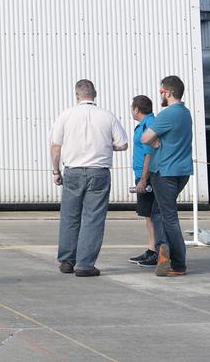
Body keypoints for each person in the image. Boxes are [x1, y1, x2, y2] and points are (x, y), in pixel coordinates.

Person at [49, 79, 127, 277]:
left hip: (73, 170)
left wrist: (56, 171)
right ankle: (84, 265)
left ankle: (67, 260)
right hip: (98, 171)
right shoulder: (107, 116)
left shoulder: (66, 115)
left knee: (69, 216)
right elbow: (123, 144)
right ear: (96, 94)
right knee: (93, 218)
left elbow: (55, 146)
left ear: (77, 95)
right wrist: (107, 145)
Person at [142, 75, 194, 278]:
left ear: (169, 92)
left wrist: (154, 140)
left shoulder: (167, 114)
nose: (160, 95)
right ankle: (163, 247)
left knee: (168, 217)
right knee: (158, 211)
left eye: (161, 92)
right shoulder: (186, 113)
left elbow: (145, 138)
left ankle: (177, 262)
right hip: (181, 171)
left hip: (165, 172)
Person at [127, 95, 158, 267]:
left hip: (148, 175)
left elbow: (149, 153)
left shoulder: (148, 125)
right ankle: (151, 249)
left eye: (132, 107)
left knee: (152, 216)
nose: (131, 110)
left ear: (137, 109)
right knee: (148, 215)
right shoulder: (146, 124)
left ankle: (156, 253)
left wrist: (143, 180)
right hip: (143, 174)